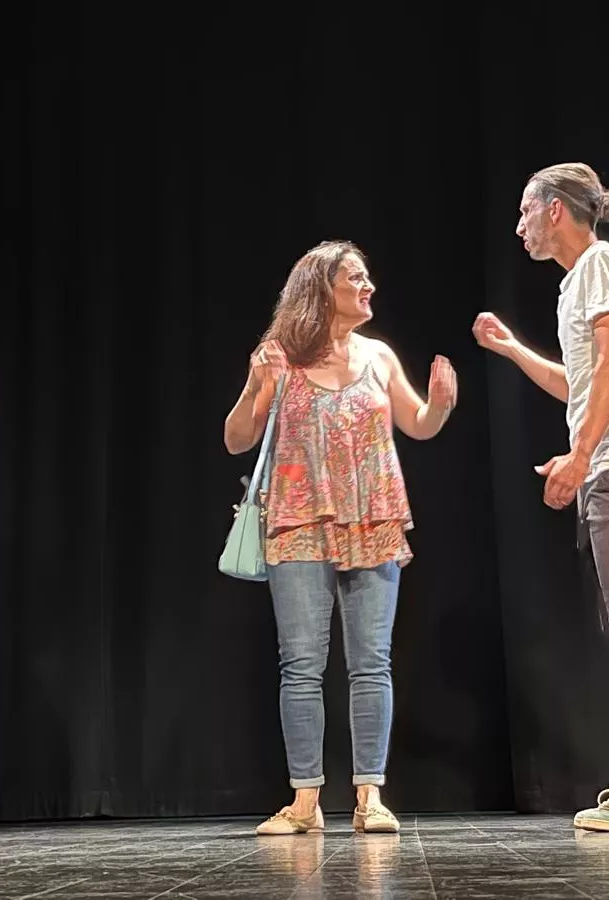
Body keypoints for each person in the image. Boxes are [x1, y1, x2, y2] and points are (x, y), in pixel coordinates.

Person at [473, 162, 609, 832]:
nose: (519, 227)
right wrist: (511, 351)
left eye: (524, 212)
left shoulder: (601, 265)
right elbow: (583, 382)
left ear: (554, 210)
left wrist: (582, 455)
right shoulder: (579, 285)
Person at [223, 240, 458, 836]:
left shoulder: (378, 355)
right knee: (301, 665)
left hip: (373, 519)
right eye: (356, 277)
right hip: (298, 521)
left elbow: (418, 424)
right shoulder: (280, 356)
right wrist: (255, 388)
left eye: (367, 276)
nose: (368, 285)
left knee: (371, 663)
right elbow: (235, 439)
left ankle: (369, 796)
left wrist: (440, 406)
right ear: (322, 288)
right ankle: (304, 803)